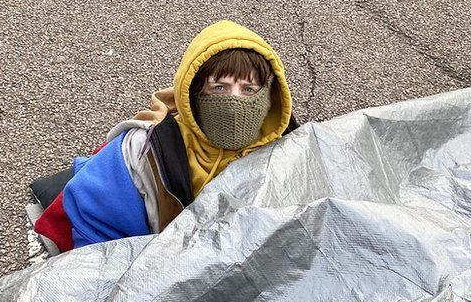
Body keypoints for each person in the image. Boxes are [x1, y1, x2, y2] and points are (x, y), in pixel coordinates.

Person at [30, 20, 299, 254]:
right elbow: (95, 228)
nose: (234, 101)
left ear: (268, 98)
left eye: (249, 89)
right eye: (219, 87)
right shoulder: (143, 151)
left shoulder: (289, 147)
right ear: (193, 94)